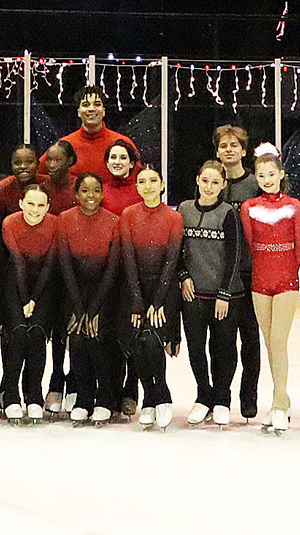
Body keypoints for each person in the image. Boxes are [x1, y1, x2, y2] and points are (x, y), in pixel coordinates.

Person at [176, 162, 248, 427]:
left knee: (223, 348)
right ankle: (203, 395)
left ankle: (222, 398)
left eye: (215, 182)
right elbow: (177, 251)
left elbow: (235, 254)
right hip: (194, 296)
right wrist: (183, 276)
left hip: (224, 296)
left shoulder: (228, 213)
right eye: (205, 181)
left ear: (223, 185)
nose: (209, 187)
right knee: (196, 347)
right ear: (197, 180)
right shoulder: (184, 210)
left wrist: (225, 292)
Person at [240, 149, 300, 434]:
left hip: (286, 281)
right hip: (260, 281)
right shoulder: (248, 207)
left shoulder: (295, 207)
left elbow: (298, 247)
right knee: (269, 343)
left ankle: (279, 404)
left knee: (278, 341)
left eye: (271, 174)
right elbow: (252, 245)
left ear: (281, 175)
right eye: (261, 175)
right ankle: (283, 399)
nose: (267, 180)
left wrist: (289, 275)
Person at [57, 173, 130, 425]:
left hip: (106, 293)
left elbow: (113, 269)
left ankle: (106, 398)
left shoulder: (114, 221)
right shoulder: (64, 220)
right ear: (76, 195)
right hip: (75, 292)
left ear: (102, 194)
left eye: (96, 191)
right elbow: (65, 266)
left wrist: (95, 308)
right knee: (77, 338)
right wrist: (79, 308)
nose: (90, 196)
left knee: (98, 337)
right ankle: (84, 398)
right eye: (85, 191)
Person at [118, 167, 180, 429]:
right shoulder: (129, 215)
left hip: (164, 293)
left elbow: (171, 261)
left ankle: (161, 395)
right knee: (138, 343)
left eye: (153, 181)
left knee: (153, 342)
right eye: (142, 182)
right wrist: (137, 301)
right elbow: (129, 260)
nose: (147, 186)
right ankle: (149, 401)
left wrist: (157, 302)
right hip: (135, 291)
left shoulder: (173, 217)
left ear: (162, 184)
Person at [0, 185, 64, 423]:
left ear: (47, 207)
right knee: (16, 334)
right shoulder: (10, 223)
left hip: (43, 287)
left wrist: (34, 300)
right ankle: (12, 395)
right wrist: (24, 299)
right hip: (14, 285)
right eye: (30, 204)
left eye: (40, 205)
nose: (35, 210)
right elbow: (17, 262)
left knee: (37, 334)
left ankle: (34, 396)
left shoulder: (55, 224)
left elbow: (48, 266)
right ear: (21, 204)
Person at [61, 86, 137, 179]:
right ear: (79, 112)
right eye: (86, 104)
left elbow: (140, 178)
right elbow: (41, 174)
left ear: (103, 111)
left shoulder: (123, 143)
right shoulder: (64, 146)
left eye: (97, 104)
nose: (91, 109)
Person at [216, 125, 263, 203]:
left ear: (243, 151)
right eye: (223, 146)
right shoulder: (210, 183)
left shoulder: (256, 183)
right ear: (217, 153)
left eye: (234, 145)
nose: (228, 150)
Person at [96, 141, 142, 216]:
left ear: (131, 164)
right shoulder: (100, 191)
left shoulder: (141, 190)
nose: (117, 162)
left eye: (123, 158)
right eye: (113, 157)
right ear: (107, 163)